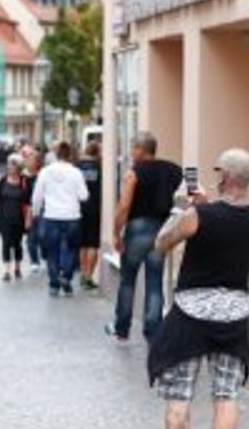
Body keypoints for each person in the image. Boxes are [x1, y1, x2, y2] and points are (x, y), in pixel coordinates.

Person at [148, 149, 249, 429]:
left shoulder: (198, 215)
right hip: (235, 314)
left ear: (224, 176)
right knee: (226, 395)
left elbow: (161, 243)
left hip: (190, 315)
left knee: (180, 396)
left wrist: (181, 208)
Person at [106, 132, 182, 342]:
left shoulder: (133, 173)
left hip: (138, 229)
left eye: (132, 148)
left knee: (128, 280)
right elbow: (193, 192)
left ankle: (122, 328)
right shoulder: (174, 169)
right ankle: (153, 331)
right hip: (162, 230)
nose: (131, 153)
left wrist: (116, 233)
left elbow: (124, 205)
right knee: (155, 281)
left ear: (140, 149)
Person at [31, 141, 89, 296]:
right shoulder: (76, 172)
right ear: (70, 155)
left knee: (52, 251)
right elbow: (84, 196)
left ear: (56, 155)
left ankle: (54, 284)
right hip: (71, 216)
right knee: (70, 249)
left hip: (51, 216)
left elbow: (37, 196)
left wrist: (36, 213)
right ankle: (66, 276)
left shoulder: (45, 172)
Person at [0, 154, 30, 281]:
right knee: (5, 244)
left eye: (13, 166)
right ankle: (7, 271)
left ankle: (18, 267)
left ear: (19, 168)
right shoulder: (3, 181)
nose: (10, 168)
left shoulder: (24, 181)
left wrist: (28, 220)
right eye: (9, 165)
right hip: (4, 218)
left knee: (17, 244)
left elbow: (28, 203)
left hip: (19, 218)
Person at [76, 141, 102, 290]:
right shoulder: (100, 167)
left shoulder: (77, 166)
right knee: (93, 243)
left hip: (79, 208)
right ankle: (88, 277)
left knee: (82, 244)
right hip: (95, 208)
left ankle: (82, 273)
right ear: (97, 152)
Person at [23, 149, 44, 273]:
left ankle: (44, 255)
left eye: (32, 160)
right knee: (31, 237)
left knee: (43, 236)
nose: (29, 163)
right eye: (28, 160)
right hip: (28, 209)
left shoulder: (42, 175)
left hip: (42, 209)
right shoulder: (24, 177)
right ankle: (34, 261)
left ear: (38, 163)